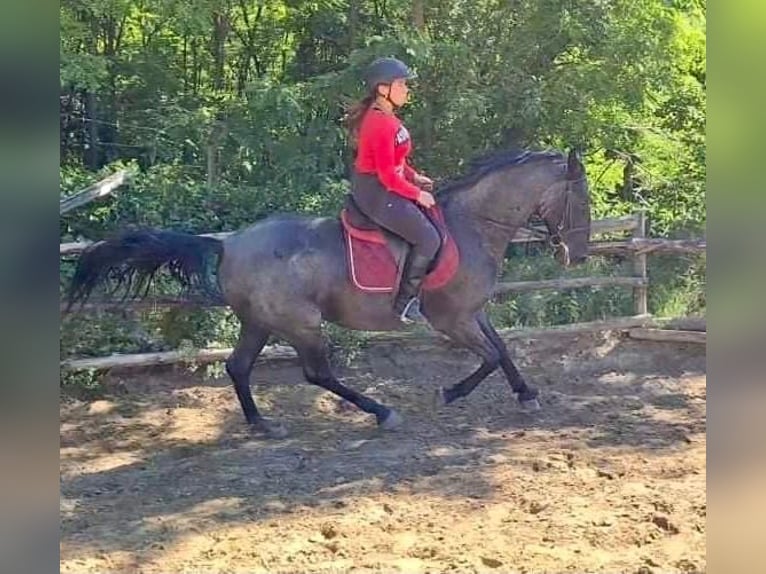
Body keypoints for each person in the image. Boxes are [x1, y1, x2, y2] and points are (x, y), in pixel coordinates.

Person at [344, 56, 440, 324]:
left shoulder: (387, 118)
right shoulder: (379, 123)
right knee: (429, 239)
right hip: (376, 192)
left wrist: (415, 176)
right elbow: (387, 176)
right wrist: (417, 193)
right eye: (402, 84)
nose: (406, 89)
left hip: (385, 184)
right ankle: (405, 302)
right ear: (383, 89)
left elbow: (396, 162)